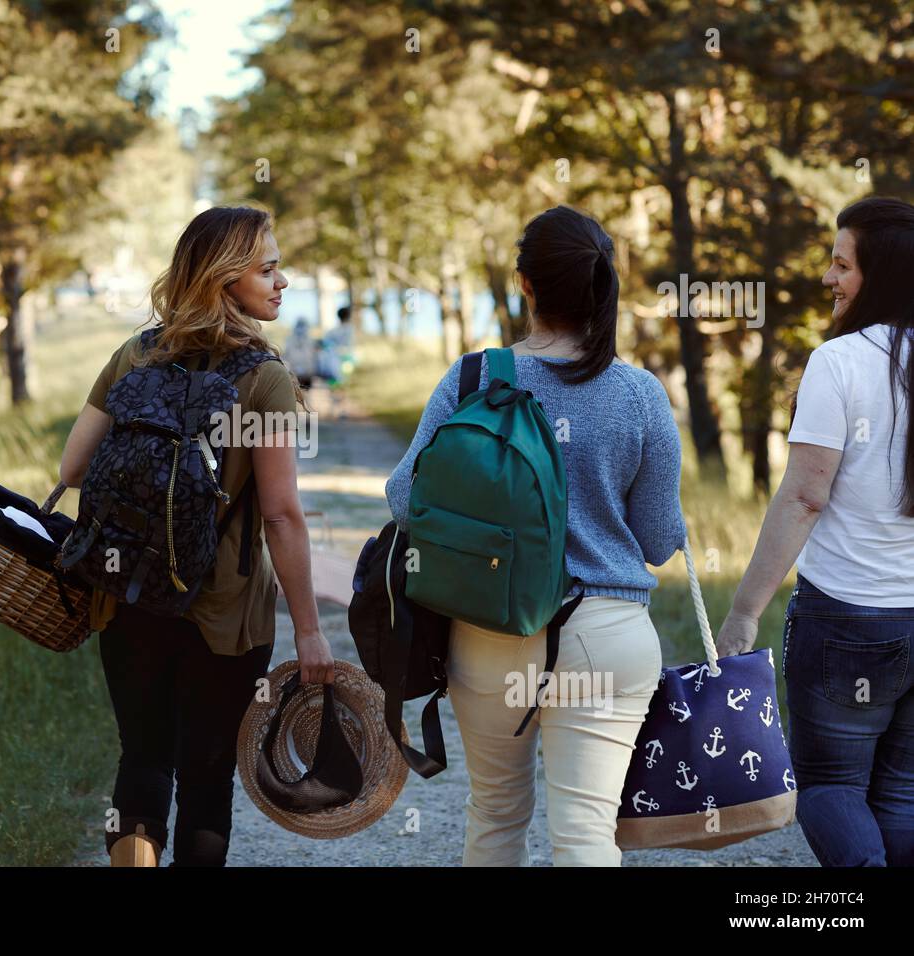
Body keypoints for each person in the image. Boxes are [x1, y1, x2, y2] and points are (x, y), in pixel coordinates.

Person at [384, 205, 686, 866]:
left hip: (493, 630)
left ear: (524, 284)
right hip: (608, 635)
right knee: (584, 835)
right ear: (604, 283)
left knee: (495, 816)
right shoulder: (639, 394)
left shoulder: (475, 378)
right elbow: (660, 541)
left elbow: (406, 498)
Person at [58, 205, 335, 867]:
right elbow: (281, 516)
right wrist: (309, 629)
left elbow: (71, 469)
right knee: (208, 782)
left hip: (128, 595)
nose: (282, 281)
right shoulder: (265, 379)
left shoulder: (134, 354)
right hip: (227, 615)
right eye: (267, 269)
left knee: (143, 759)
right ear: (224, 279)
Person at [716, 196, 914, 867]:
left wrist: (745, 611)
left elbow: (804, 494)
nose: (828, 278)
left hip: (848, 623)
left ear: (879, 274)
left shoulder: (840, 362)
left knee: (831, 784)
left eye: (841, 264)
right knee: (904, 793)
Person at [285, 317, 318, 389]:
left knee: (305, 391)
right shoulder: (290, 339)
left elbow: (313, 356)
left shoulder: (309, 340)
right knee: (297, 392)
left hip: (307, 371)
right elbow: (287, 355)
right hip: (295, 371)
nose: (301, 329)